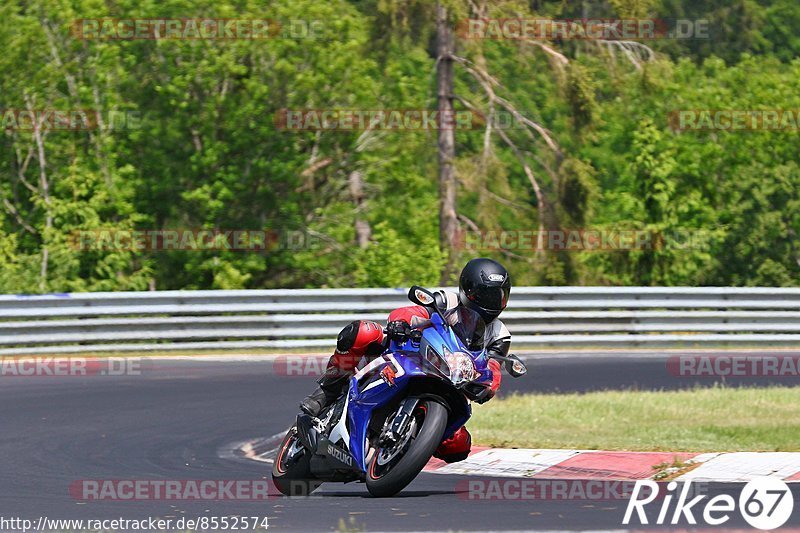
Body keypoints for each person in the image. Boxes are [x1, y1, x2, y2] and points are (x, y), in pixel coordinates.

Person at [299, 257, 512, 463]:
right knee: (363, 332)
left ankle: (405, 447)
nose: (493, 301)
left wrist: (489, 385)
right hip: (413, 353)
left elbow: (493, 366)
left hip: (452, 381)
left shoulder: (500, 334)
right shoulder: (448, 300)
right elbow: (413, 311)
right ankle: (327, 392)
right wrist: (403, 323)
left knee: (459, 444)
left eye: (499, 296)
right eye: (486, 294)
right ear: (469, 290)